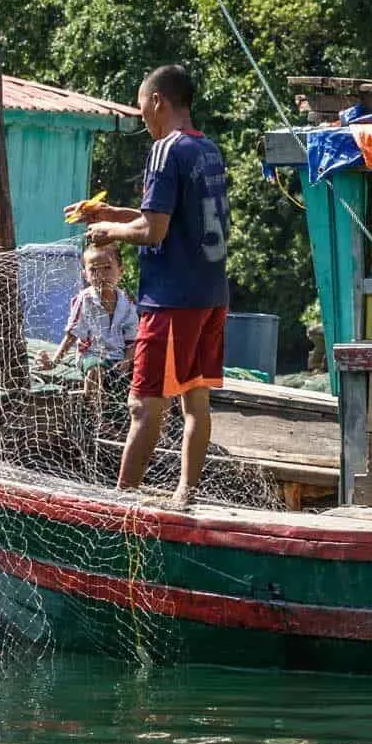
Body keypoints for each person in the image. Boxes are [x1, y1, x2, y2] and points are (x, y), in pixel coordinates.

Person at [66, 64, 229, 507]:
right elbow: (167, 220)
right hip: (211, 296)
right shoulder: (207, 150)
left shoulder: (164, 150)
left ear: (157, 100)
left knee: (143, 407)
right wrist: (112, 215)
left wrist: (108, 235)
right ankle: (185, 495)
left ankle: (122, 503)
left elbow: (154, 233)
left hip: (172, 300)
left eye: (141, 104)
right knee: (195, 403)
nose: (140, 115)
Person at [37, 243, 138, 395]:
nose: (101, 275)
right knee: (94, 372)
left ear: (121, 271)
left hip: (119, 357)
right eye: (94, 270)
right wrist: (54, 361)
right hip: (91, 355)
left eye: (107, 268)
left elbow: (132, 340)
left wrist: (126, 361)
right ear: (85, 275)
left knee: (138, 377)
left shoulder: (127, 302)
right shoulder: (85, 299)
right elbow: (72, 334)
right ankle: (91, 411)